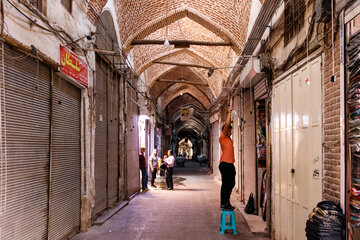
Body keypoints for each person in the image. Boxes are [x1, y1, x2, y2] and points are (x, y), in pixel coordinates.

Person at [219, 106, 236, 210]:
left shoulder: (229, 140)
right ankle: (223, 203)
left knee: (231, 183)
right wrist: (229, 112)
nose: (231, 131)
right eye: (230, 130)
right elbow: (227, 125)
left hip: (230, 164)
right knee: (226, 184)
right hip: (224, 164)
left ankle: (227, 201)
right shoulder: (222, 137)